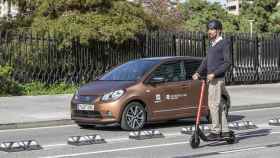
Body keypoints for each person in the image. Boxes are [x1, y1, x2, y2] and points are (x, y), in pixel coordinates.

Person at [192, 19, 232, 140]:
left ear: (218, 30)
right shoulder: (212, 45)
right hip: (212, 79)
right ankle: (225, 131)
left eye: (212, 29)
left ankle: (215, 131)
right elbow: (205, 62)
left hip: (217, 79)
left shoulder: (224, 43)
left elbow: (227, 63)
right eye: (209, 29)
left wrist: (214, 74)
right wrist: (198, 72)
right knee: (218, 106)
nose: (209, 31)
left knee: (213, 105)